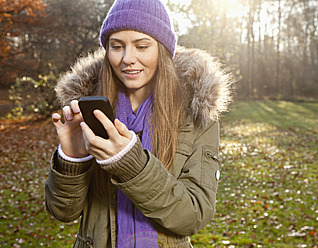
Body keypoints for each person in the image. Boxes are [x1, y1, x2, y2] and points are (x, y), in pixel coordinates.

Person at [44, 0, 233, 247]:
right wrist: (72, 159)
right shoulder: (87, 110)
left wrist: (129, 163)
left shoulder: (196, 114)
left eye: (142, 46)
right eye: (116, 46)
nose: (127, 58)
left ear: (162, 50)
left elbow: (193, 216)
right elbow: (63, 212)